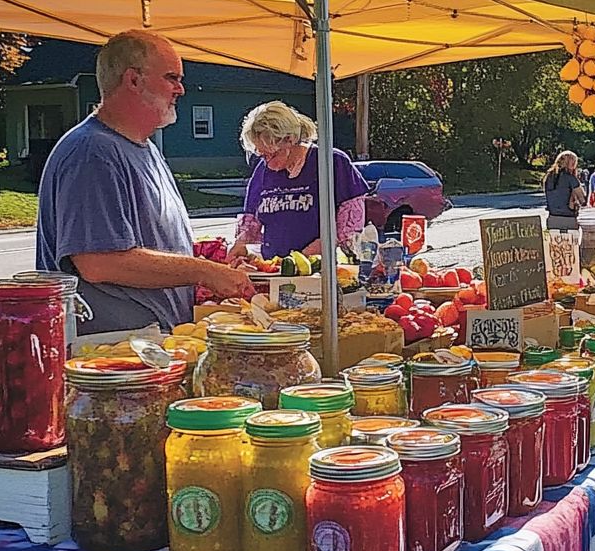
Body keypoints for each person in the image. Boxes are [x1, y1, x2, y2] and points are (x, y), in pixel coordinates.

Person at [37, 31, 254, 334]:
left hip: (148, 346)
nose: (181, 89)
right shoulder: (93, 152)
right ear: (133, 80)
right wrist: (203, 271)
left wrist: (210, 259)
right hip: (110, 357)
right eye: (171, 78)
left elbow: (150, 242)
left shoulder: (144, 148)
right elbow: (99, 262)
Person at [227, 101, 370, 261]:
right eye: (261, 155)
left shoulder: (332, 162)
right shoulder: (262, 170)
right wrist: (240, 245)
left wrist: (306, 257)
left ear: (290, 139)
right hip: (274, 270)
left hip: (321, 269)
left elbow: (349, 228)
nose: (266, 162)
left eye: (271, 154)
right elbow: (251, 221)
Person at [544, 150, 587, 230]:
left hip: (552, 218)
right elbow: (583, 200)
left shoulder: (549, 177)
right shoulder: (570, 178)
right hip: (568, 218)